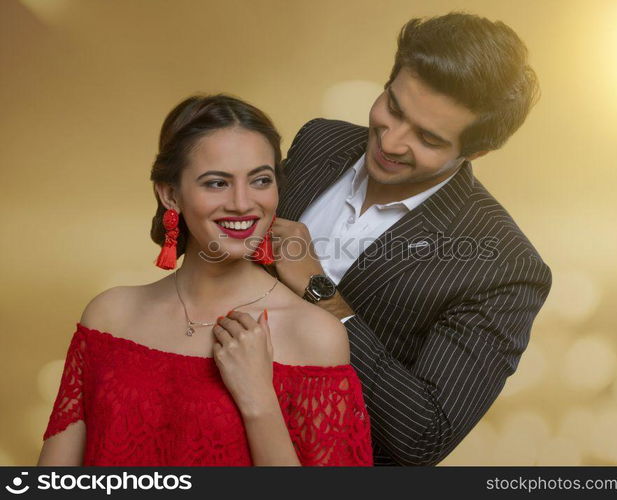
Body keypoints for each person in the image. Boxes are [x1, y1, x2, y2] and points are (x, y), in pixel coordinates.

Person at [243, 13, 553, 465]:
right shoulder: (319, 140)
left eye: (427, 137)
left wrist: (319, 290)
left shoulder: (504, 266)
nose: (391, 142)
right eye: (393, 107)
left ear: (476, 151)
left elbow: (423, 435)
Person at [37, 94, 373, 466]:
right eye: (217, 183)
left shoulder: (313, 334)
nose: (243, 203)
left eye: (260, 180)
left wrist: (259, 402)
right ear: (170, 194)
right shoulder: (109, 316)